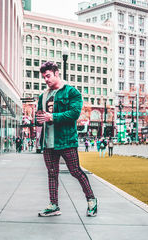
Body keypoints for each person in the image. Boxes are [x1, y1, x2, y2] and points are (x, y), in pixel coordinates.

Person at [36, 61, 97, 217]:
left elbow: (74, 114)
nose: (46, 80)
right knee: (52, 173)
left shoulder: (72, 92)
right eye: (44, 77)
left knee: (76, 171)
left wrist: (52, 116)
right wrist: (38, 119)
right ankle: (54, 205)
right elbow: (39, 118)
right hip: (47, 142)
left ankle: (91, 200)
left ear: (56, 73)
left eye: (48, 76)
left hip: (66, 140)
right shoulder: (43, 96)